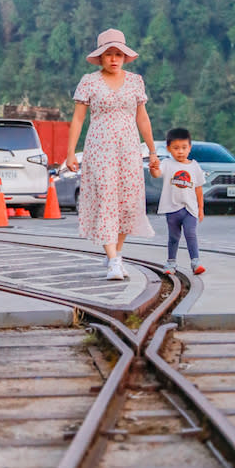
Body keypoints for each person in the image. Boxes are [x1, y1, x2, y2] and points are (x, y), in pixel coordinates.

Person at [65, 28, 159, 279]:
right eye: (109, 54)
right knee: (105, 199)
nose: (114, 59)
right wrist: (71, 152)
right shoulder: (89, 81)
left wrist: (152, 151)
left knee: (127, 203)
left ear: (125, 56)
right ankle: (114, 260)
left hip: (128, 149)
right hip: (99, 149)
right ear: (100, 58)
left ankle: (115, 255)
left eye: (118, 54)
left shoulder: (136, 81)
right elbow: (77, 119)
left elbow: (143, 119)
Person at [154, 127, 206, 275]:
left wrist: (201, 208)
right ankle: (171, 263)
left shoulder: (195, 166)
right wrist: (154, 167)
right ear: (169, 148)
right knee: (174, 237)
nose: (180, 151)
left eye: (184, 148)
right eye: (176, 148)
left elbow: (198, 189)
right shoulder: (167, 164)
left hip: (190, 209)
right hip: (172, 209)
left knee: (191, 234)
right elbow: (157, 174)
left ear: (190, 147)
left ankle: (195, 262)